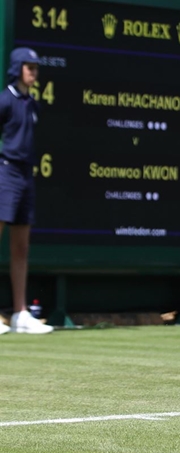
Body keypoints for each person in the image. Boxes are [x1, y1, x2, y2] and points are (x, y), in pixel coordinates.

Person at [0, 48, 52, 335]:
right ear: (17, 68)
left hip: (25, 175)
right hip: (5, 172)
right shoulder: (4, 100)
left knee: (21, 248)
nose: (33, 71)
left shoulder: (33, 104)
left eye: (36, 67)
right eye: (28, 66)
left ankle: (20, 314)